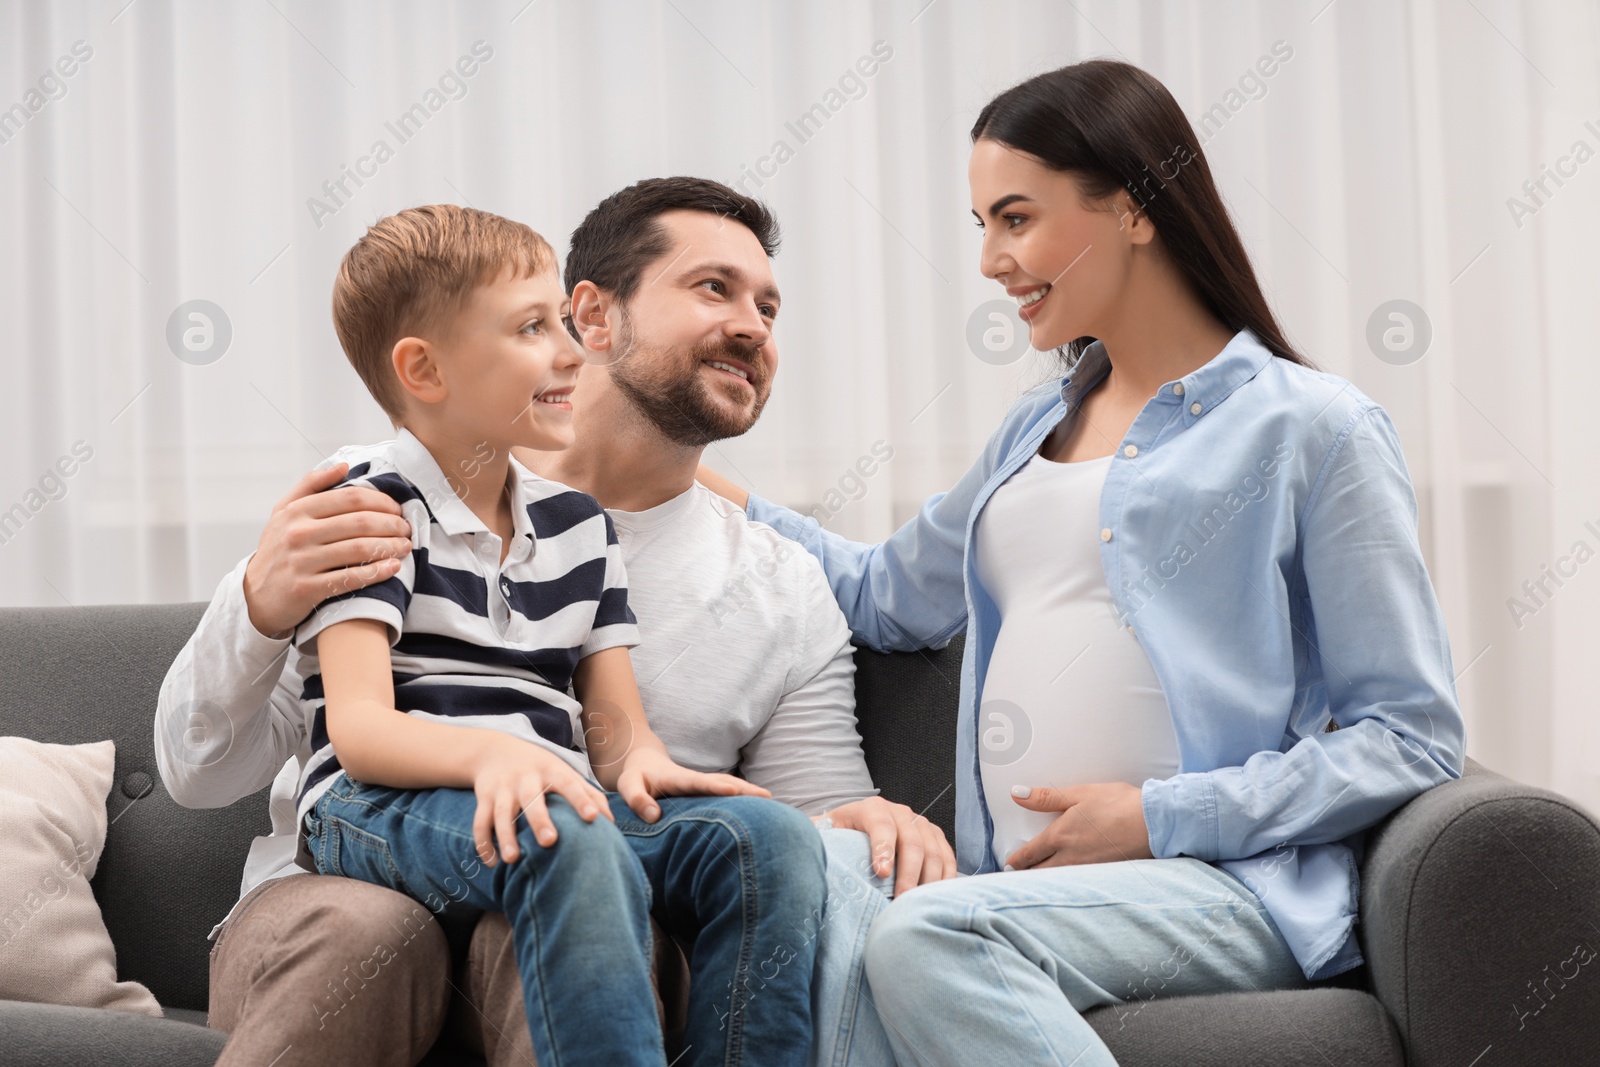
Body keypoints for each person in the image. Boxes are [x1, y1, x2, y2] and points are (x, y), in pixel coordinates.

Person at [697, 59, 1467, 1066]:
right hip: (1010, 886)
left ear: (1135, 207)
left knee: (929, 931)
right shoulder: (1035, 423)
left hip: (1222, 885)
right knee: (837, 919)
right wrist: (701, 487)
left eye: (1015, 219)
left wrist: (1156, 816)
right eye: (982, 226)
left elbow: (1408, 733)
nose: (990, 261)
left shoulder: (1312, 428)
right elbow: (886, 597)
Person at [156, 179, 953, 1067]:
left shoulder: (773, 581)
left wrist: (873, 819)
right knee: (374, 930)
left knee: (597, 881)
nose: (754, 324)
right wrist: (261, 601)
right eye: (713, 288)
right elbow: (202, 770)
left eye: (769, 304)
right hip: (339, 883)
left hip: (577, 876)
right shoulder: (363, 503)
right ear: (594, 317)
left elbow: (804, 818)